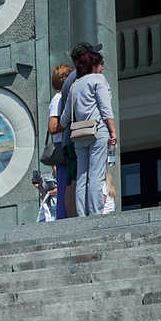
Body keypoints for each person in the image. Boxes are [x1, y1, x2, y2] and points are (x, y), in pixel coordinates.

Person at [65, 41, 116, 219]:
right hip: (98, 131)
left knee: (82, 177)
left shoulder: (74, 85)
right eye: (101, 64)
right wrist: (113, 131)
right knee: (96, 176)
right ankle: (95, 215)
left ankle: (81, 215)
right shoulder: (98, 80)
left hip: (79, 135)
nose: (102, 67)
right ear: (94, 64)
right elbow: (105, 109)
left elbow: (65, 118)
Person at [44, 61, 77, 219]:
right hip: (63, 148)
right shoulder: (58, 99)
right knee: (65, 184)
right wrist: (68, 122)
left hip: (66, 145)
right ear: (64, 78)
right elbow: (52, 126)